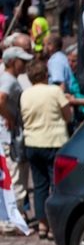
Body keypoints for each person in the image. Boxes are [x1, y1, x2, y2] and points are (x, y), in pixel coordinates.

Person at [20, 60, 72, 239]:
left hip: (33, 142)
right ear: (45, 75)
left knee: (40, 186)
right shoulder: (54, 91)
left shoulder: (25, 94)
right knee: (56, 184)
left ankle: (43, 224)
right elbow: (67, 114)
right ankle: (54, 226)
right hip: (54, 141)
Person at [0, 46, 32, 225]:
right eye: (22, 61)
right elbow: (1, 99)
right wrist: (10, 116)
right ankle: (12, 221)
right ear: (12, 62)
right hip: (10, 136)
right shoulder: (9, 80)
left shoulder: (7, 77)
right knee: (16, 176)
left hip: (6, 135)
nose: (25, 64)